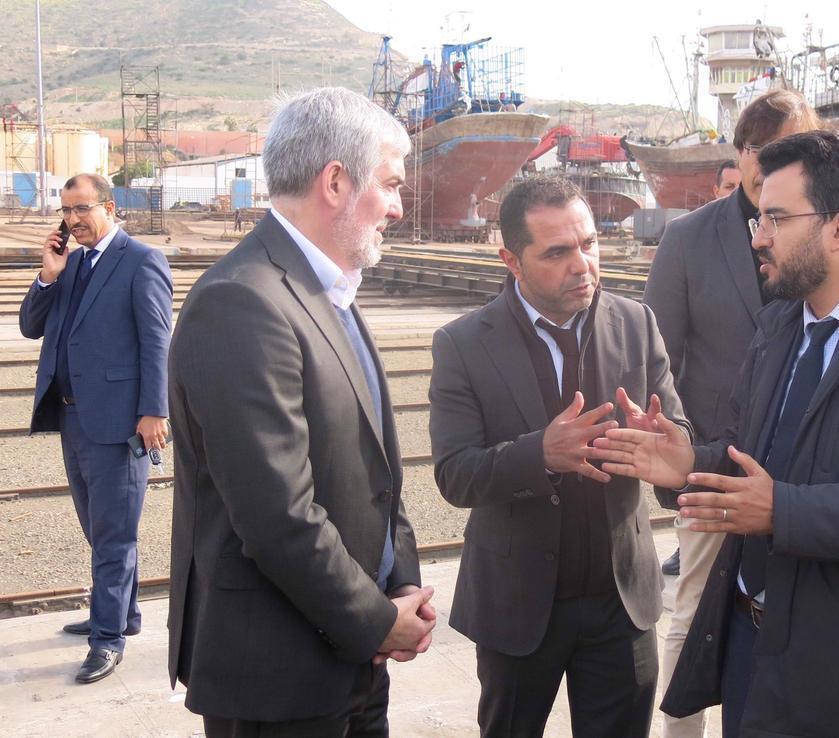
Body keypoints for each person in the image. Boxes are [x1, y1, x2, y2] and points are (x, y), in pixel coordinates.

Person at [592, 129, 839, 737]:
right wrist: (687, 463)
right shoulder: (780, 324)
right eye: (758, 218)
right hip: (755, 648)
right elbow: (750, 455)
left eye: (775, 218)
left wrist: (783, 510)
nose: (758, 236)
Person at [167, 87, 434, 736]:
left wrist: (401, 589)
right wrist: (377, 621)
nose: (398, 208)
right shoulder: (242, 302)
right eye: (392, 185)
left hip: (351, 657)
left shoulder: (327, 288)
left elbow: (375, 473)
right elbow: (277, 515)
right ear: (336, 182)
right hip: (277, 679)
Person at [429, 176, 690, 738]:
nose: (583, 266)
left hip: (622, 603)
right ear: (511, 260)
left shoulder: (636, 323)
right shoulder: (463, 343)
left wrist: (671, 456)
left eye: (589, 244)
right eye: (557, 252)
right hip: (519, 604)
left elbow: (679, 439)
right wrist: (539, 454)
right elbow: (453, 475)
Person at [641, 88, 819, 738]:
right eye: (760, 151)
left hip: (806, 471)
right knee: (691, 615)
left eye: (788, 150)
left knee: (789, 620)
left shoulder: (823, 231)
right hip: (715, 464)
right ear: (740, 153)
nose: (771, 164)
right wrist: (679, 465)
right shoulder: (689, 238)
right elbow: (656, 356)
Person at [18, 173, 172, 684]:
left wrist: (155, 410)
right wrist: (47, 274)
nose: (72, 220)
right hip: (72, 416)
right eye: (65, 210)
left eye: (81, 209)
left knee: (113, 536)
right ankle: (121, 613)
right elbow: (30, 326)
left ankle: (108, 640)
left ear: (108, 206)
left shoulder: (141, 260)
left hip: (121, 421)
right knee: (99, 529)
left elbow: (156, 341)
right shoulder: (72, 261)